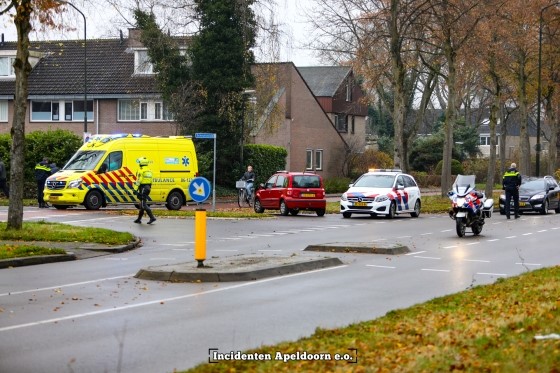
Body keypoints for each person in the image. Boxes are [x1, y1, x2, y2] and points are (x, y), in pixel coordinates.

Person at [134, 157, 156, 225]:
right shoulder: (149, 170)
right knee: (142, 204)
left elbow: (139, 180)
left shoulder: (141, 170)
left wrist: (135, 189)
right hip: (148, 187)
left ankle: (152, 217)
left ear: (141, 163)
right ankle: (139, 219)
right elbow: (151, 180)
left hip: (143, 188)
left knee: (143, 204)